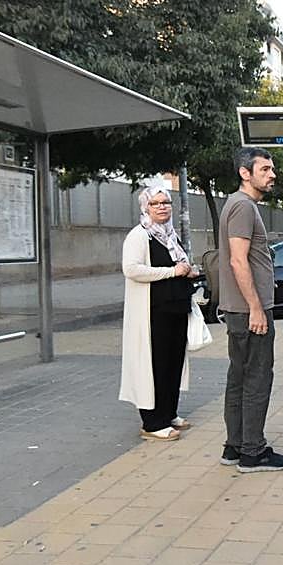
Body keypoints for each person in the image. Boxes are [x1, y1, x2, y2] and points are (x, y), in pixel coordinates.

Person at [217, 147, 283, 473]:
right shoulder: (243, 207)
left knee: (239, 378)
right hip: (248, 312)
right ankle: (253, 452)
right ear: (245, 173)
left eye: (272, 168)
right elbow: (238, 260)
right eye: (265, 169)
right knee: (257, 380)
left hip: (239, 312)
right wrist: (256, 309)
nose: (272, 174)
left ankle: (234, 447)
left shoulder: (240, 206)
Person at [119, 184, 198, 441]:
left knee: (172, 363)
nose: (162, 207)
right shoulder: (139, 236)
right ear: (146, 207)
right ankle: (152, 422)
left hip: (175, 311)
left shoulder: (170, 235)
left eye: (166, 202)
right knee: (155, 365)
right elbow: (131, 269)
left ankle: (168, 412)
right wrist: (172, 272)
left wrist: (189, 270)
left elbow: (180, 264)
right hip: (153, 314)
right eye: (156, 203)